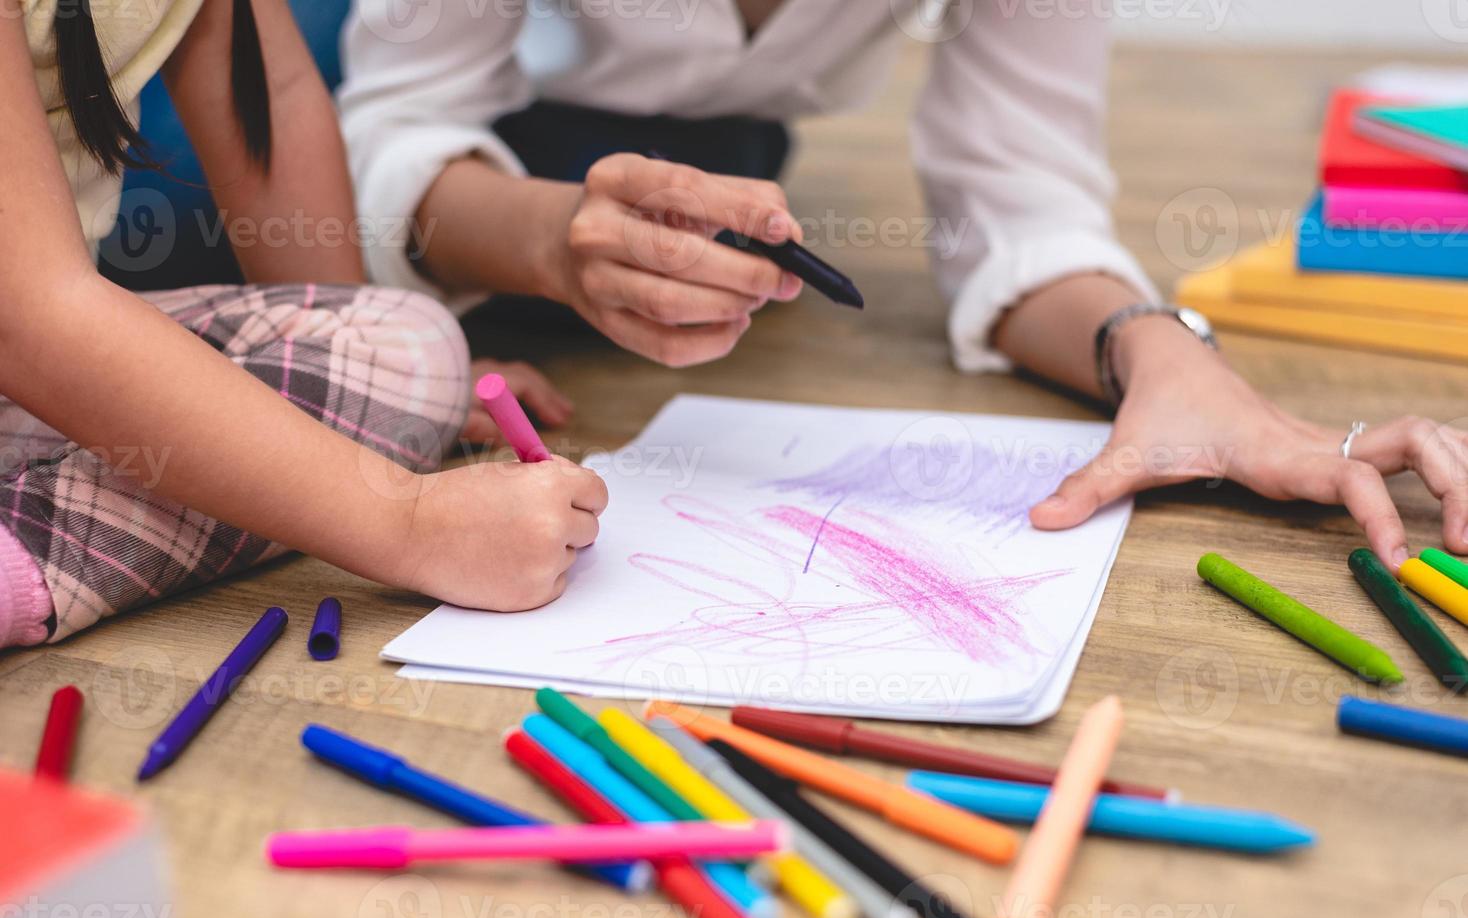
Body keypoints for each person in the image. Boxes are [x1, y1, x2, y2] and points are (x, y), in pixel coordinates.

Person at [337, 0, 1468, 569]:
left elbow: (1019, 195)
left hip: (733, 150)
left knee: (745, 162)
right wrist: (544, 239)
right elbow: (390, 131)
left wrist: (1159, 350)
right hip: (355, 107)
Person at [0, 0, 606, 650]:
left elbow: (272, 100)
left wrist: (358, 366)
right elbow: (30, 315)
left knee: (406, 348)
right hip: (28, 324)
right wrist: (408, 524)